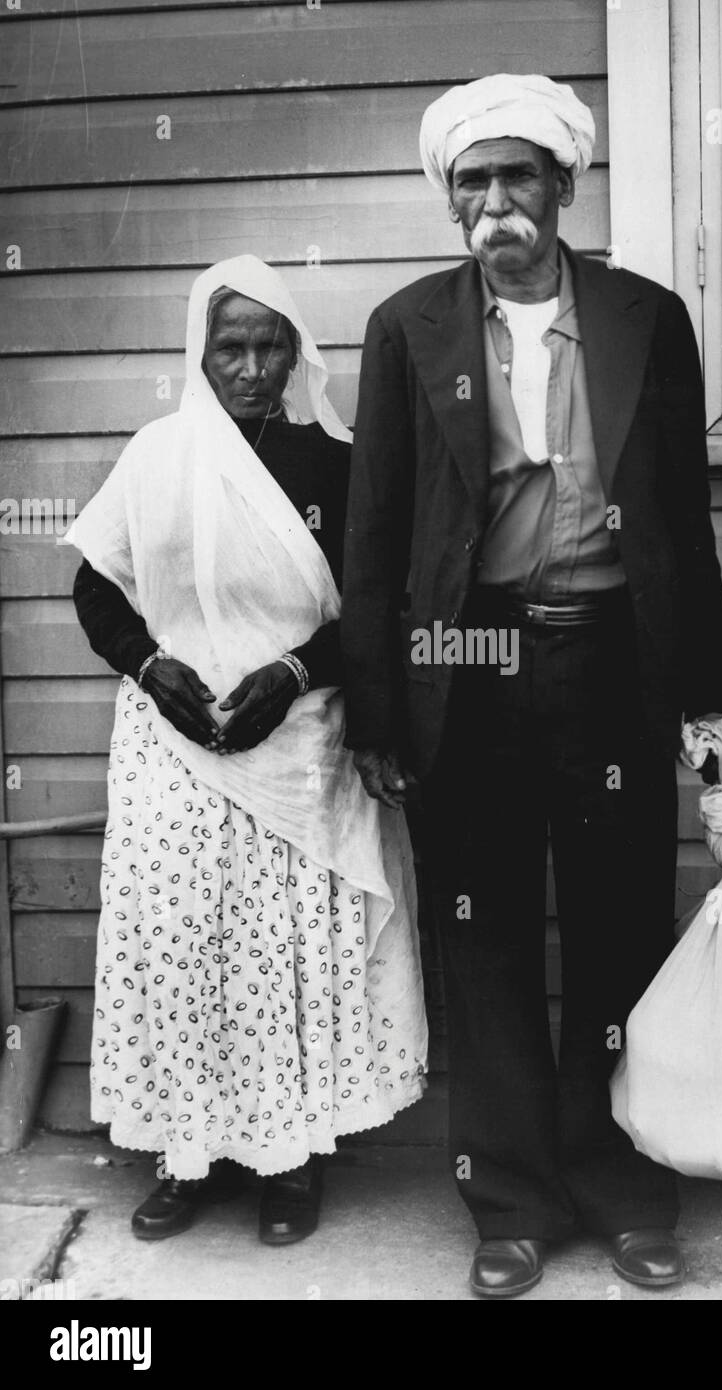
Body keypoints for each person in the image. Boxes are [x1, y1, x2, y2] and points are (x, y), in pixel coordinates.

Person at [340, 74, 722, 1297]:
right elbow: (376, 535)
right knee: (487, 938)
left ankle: (625, 1188)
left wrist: (709, 706)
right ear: (449, 198)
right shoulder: (408, 328)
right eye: (473, 182)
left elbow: (683, 522)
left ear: (566, 186)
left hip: (613, 657)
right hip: (470, 665)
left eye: (520, 177)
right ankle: (508, 1202)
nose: (496, 202)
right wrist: (376, 712)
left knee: (622, 927)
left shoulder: (643, 318)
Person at [67, 255, 427, 1248]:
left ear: (297, 352)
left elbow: (375, 606)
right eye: (232, 346)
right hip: (174, 747)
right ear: (202, 351)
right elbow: (98, 590)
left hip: (295, 742)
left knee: (282, 956)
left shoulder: (334, 464)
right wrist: (149, 664)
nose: (253, 366)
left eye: (273, 345)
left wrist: (294, 675)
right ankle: (191, 1156)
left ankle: (295, 1159)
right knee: (188, 951)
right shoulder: (157, 455)